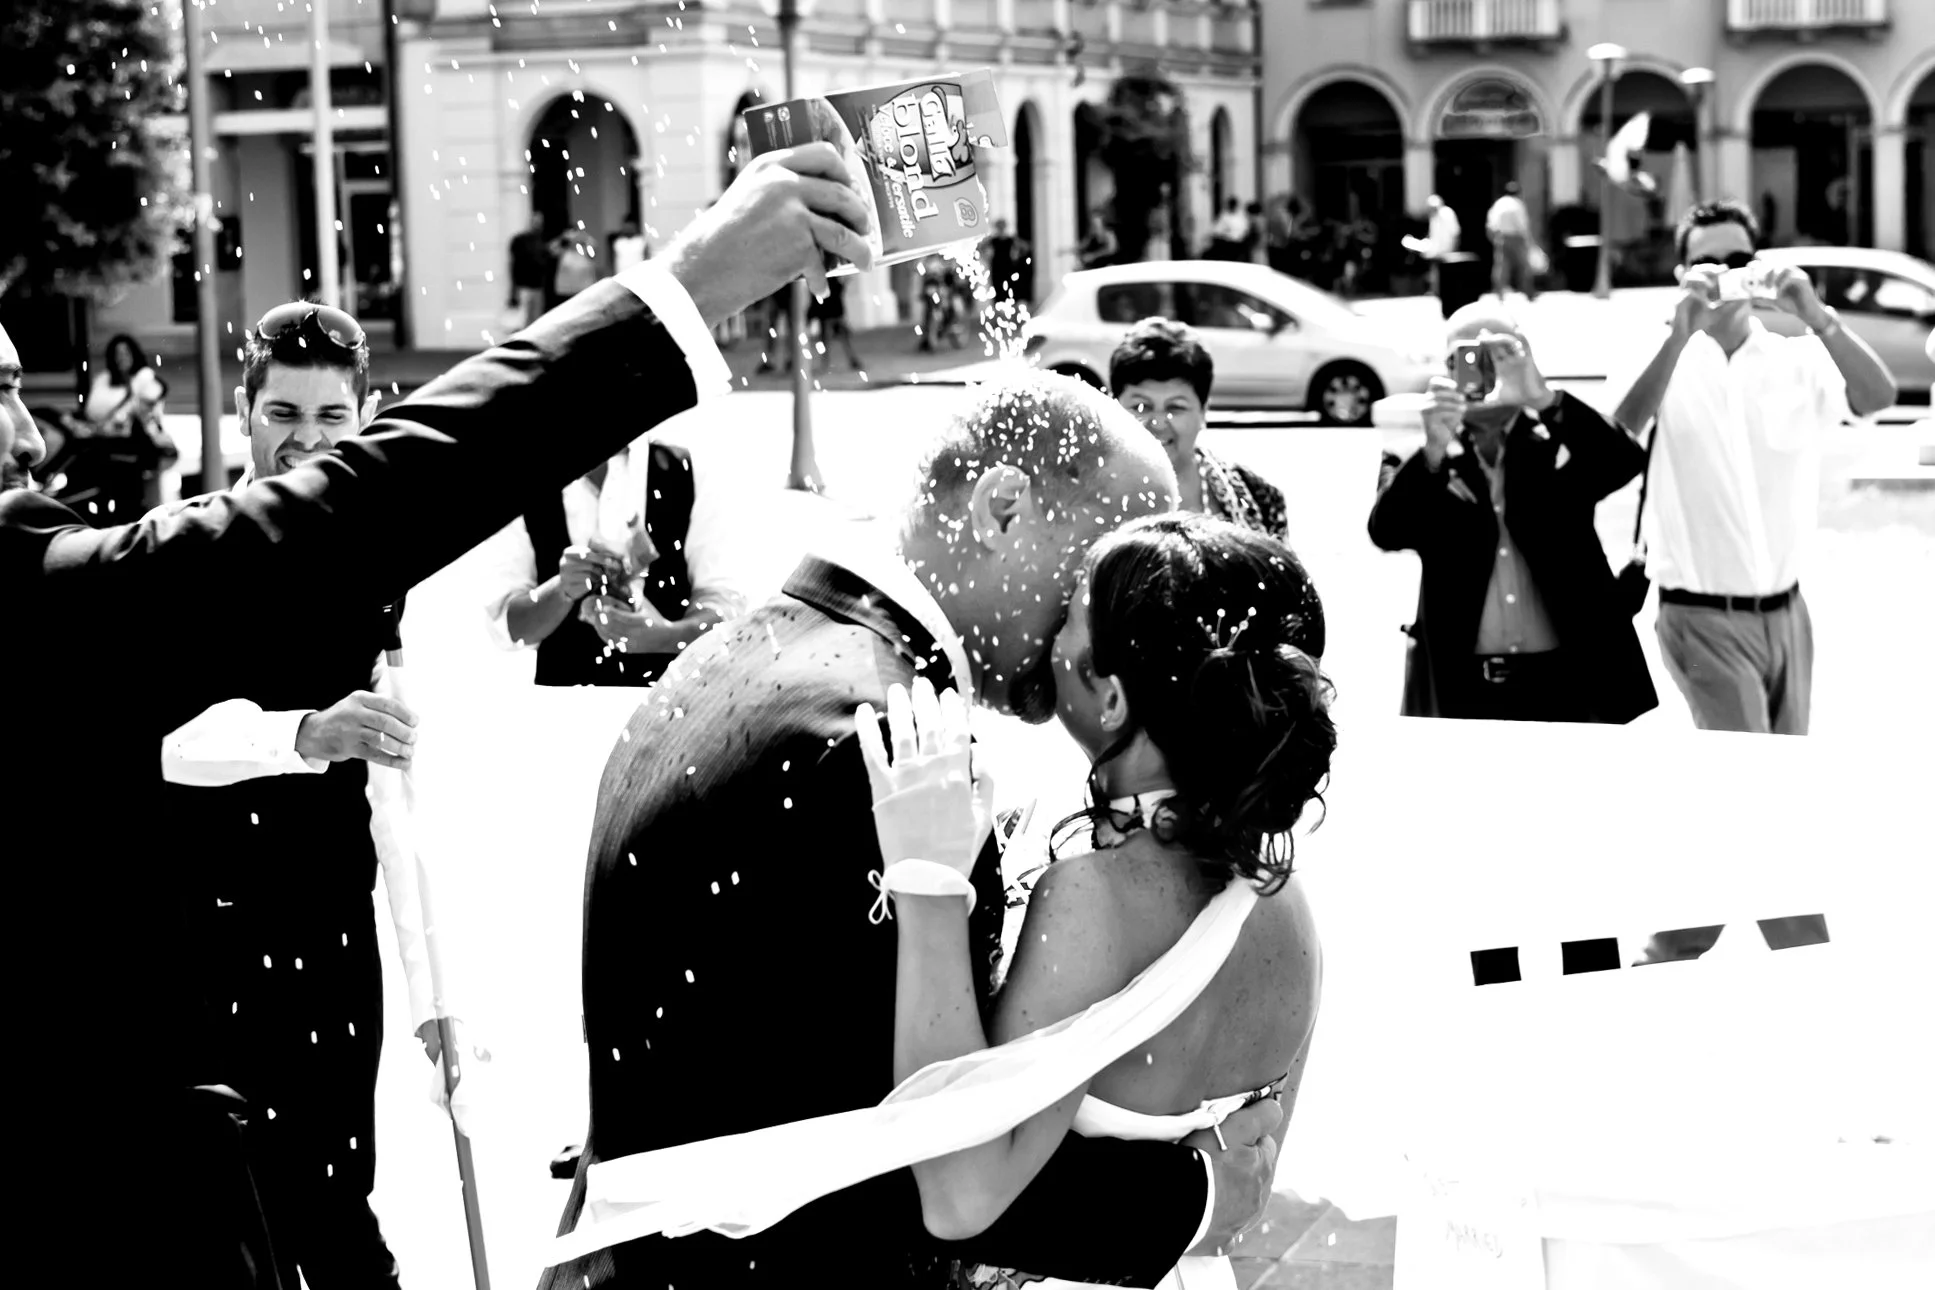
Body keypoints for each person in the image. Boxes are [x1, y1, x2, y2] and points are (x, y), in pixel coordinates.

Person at [0, 140, 876, 1289]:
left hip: (309, 974)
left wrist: (438, 998)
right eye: (1, 393)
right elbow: (342, 516)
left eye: (22, 391)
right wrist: (684, 289)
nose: (26, 434)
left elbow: (396, 778)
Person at [542, 374, 1286, 1290]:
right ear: (1003, 508)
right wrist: (1196, 1196)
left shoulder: (755, 649)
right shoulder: (878, 740)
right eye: (1105, 576)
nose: (1113, 635)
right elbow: (907, 1156)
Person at [866, 510, 1330, 1289]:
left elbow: (958, 1195)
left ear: (1110, 698)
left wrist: (928, 885)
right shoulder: (1285, 903)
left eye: (1071, 617)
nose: (1049, 632)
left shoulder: (1094, 896)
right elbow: (1254, 1173)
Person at [151, 301, 473, 1290]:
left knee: (333, 1201)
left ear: (366, 413)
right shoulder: (182, 552)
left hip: (332, 942)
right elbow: (159, 749)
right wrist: (301, 736)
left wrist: (436, 1000)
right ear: (242, 412)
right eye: (283, 411)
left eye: (332, 415)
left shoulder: (376, 575)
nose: (306, 437)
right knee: (230, 1216)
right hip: (201, 942)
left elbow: (398, 802)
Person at [1612, 199, 1895, 738]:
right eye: (1706, 261)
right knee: (1753, 784)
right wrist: (1678, 333)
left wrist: (1817, 317)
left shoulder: (1796, 357)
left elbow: (1877, 397)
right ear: (1681, 273)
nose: (1724, 272)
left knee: (1783, 780)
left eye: (1737, 257)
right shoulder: (1657, 355)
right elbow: (1618, 432)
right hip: (1699, 618)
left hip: (1789, 614)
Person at [1368, 305, 1656, 723]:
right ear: (1447, 368)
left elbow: (1623, 462)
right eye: (1466, 357)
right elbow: (1388, 532)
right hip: (1467, 687)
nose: (1485, 369)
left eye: (1502, 354)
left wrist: (1541, 397)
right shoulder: (1419, 449)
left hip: (1569, 681)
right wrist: (1432, 452)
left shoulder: (1556, 434)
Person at [477, 434, 747, 686]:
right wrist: (560, 591)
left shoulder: (689, 471)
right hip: (561, 711)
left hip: (669, 712)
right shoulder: (521, 481)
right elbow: (509, 628)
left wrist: (667, 635)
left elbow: (728, 614)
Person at [1109, 318, 1287, 539]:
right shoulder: (1082, 496)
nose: (1158, 422)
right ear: (1113, 407)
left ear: (1203, 411)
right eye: (1141, 406)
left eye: (1175, 407)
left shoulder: (1260, 497)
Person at [1485, 181, 1538, 301]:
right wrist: (1528, 240)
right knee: (1524, 266)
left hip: (1502, 238)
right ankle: (1529, 292)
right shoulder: (1517, 204)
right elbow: (1522, 225)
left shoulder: (1499, 204)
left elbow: (1491, 223)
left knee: (1502, 266)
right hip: (1516, 237)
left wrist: (1494, 237)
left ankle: (1499, 293)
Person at [809, 274, 864, 371]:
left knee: (830, 335)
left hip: (829, 303)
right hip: (831, 303)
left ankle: (826, 362)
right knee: (836, 334)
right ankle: (849, 358)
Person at [510, 212, 553, 326]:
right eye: (536, 222)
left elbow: (545, 257)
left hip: (537, 286)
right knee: (524, 318)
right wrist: (514, 291)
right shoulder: (520, 240)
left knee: (535, 318)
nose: (538, 225)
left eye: (540, 223)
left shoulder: (540, 241)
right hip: (525, 286)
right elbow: (515, 264)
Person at [551, 231, 599, 305]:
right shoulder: (564, 252)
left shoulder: (587, 251)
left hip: (584, 290)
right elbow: (551, 248)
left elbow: (594, 245)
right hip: (565, 291)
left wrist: (585, 236)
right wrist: (562, 238)